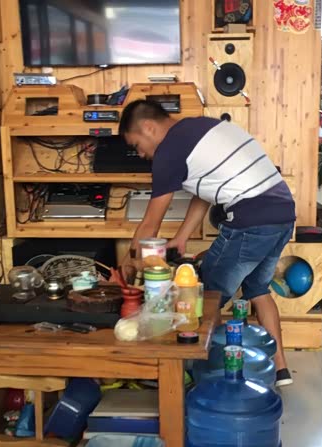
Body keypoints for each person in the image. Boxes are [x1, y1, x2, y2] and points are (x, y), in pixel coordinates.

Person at [120, 100, 296, 386]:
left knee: (203, 297)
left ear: (148, 127)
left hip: (250, 219)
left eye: (137, 145)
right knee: (258, 290)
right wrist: (182, 236)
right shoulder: (200, 127)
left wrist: (128, 263)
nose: (140, 154)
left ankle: (188, 375)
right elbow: (205, 191)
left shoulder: (168, 151)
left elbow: (151, 223)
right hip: (283, 214)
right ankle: (281, 370)